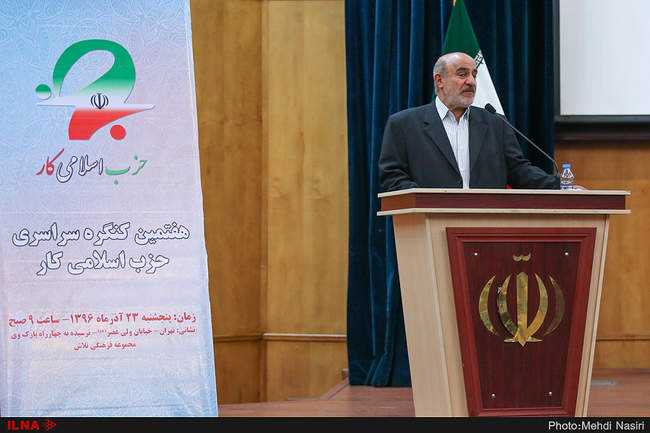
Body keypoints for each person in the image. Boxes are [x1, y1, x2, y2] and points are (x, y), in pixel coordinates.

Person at [378, 52, 560, 192]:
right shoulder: (404, 124)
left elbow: (519, 172)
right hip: (429, 221)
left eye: (474, 75)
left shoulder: (496, 124)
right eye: (462, 74)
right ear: (439, 80)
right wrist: (425, 200)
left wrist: (562, 187)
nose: (471, 82)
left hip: (484, 223)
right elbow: (392, 176)